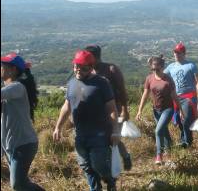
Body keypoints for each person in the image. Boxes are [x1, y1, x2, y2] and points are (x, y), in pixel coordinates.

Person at [53, 50, 120, 191]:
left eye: (83, 67)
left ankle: (110, 180)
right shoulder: (71, 83)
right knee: (86, 166)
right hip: (80, 134)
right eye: (76, 66)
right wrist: (58, 127)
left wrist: (115, 131)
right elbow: (66, 107)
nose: (78, 70)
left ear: (91, 67)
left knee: (99, 164)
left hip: (100, 134)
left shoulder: (102, 83)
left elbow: (112, 108)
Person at [1, 53, 45, 191]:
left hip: (23, 144)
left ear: (13, 70)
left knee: (18, 184)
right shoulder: (8, 90)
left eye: (2, 66)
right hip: (11, 145)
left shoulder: (17, 87)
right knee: (21, 183)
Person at [85, 45, 132, 171]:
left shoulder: (111, 69)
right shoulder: (88, 71)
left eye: (88, 56)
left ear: (95, 57)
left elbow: (122, 91)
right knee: (104, 139)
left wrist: (125, 110)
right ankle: (110, 166)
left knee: (113, 137)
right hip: (97, 113)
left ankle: (123, 158)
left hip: (114, 110)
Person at [136, 55, 183, 164]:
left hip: (168, 109)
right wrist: (139, 110)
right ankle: (169, 149)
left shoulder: (168, 79)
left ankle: (159, 155)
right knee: (164, 130)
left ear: (162, 67)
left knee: (158, 131)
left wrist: (180, 110)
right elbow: (145, 94)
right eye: (153, 68)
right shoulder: (149, 78)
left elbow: (174, 95)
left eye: (157, 67)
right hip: (156, 110)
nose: (155, 70)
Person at [164, 42, 198, 148]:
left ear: (184, 53)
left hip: (189, 98)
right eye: (175, 52)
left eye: (178, 52)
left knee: (186, 120)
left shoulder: (191, 65)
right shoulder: (170, 67)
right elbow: (161, 77)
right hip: (176, 98)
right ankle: (184, 140)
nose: (176, 54)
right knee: (178, 121)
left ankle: (187, 143)